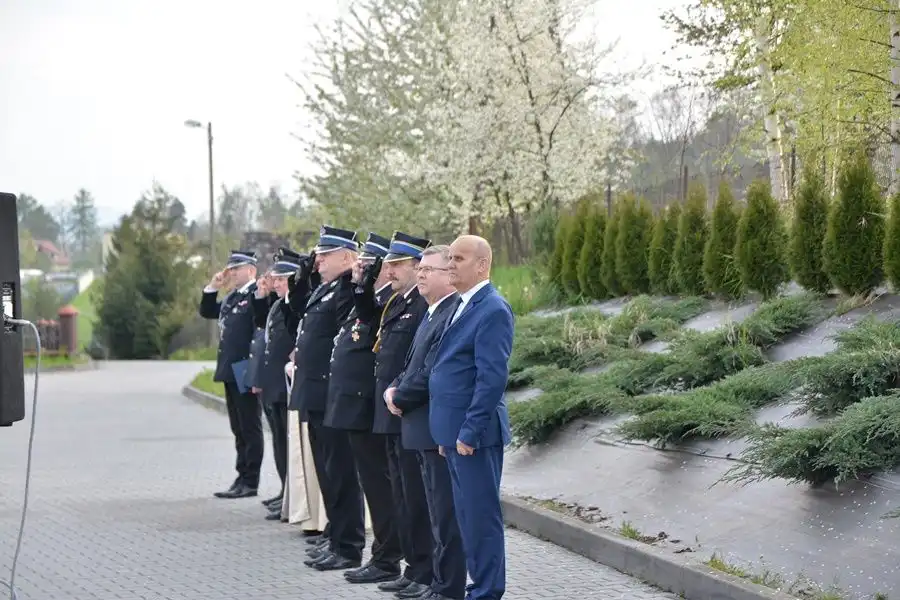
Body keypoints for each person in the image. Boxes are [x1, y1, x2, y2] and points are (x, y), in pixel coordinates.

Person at [428, 236, 514, 600]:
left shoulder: (492, 308)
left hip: (474, 437)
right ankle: (477, 587)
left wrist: (468, 432)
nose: (450, 265)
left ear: (482, 265)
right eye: (449, 258)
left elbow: (491, 377)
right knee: (466, 519)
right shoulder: (462, 305)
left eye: (458, 259)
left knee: (481, 520)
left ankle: (487, 592)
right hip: (454, 435)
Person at [385, 245, 466, 600]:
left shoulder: (450, 314)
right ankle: (431, 579)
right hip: (417, 427)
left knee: (444, 516)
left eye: (428, 270)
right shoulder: (432, 312)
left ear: (450, 276)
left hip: (433, 428)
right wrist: (394, 386)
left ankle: (445, 586)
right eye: (419, 269)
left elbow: (431, 370)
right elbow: (411, 364)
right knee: (428, 511)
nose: (420, 274)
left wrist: (399, 396)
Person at [326, 233, 406, 585]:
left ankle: (388, 556)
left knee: (380, 486)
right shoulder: (373, 299)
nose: (365, 269)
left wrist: (366, 285)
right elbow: (346, 313)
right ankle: (385, 554)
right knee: (374, 485)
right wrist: (358, 284)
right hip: (359, 405)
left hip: (368, 405)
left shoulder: (391, 302)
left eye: (370, 264)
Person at [287, 225, 364, 572]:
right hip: (315, 394)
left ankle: (348, 546)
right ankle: (335, 535)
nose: (318, 260)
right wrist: (300, 279)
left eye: (325, 254)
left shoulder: (347, 289)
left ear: (347, 257)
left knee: (341, 472)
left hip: (331, 394)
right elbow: (298, 318)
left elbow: (350, 329)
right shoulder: (326, 289)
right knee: (327, 471)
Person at [372, 231, 434, 598]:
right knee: (401, 494)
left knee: (416, 496)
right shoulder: (398, 303)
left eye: (396, 264)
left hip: (410, 410)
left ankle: (424, 569)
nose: (389, 270)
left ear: (416, 265)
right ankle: (413, 567)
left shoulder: (423, 306)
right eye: (388, 264)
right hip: (393, 409)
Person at [199, 249, 265, 500]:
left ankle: (251, 480)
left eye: (237, 269)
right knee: (237, 427)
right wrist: (212, 287)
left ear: (251, 270)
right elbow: (208, 311)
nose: (233, 273)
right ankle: (241, 476)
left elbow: (259, 323)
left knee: (250, 426)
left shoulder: (255, 295)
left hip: (245, 367)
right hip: (229, 367)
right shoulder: (232, 297)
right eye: (231, 269)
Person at [252, 248, 304, 521]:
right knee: (278, 442)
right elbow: (261, 323)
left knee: (288, 443)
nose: (277, 283)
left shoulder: (294, 305)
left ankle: (291, 493)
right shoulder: (278, 304)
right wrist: (262, 294)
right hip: (273, 382)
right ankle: (285, 490)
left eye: (283, 279)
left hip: (286, 383)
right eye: (277, 279)